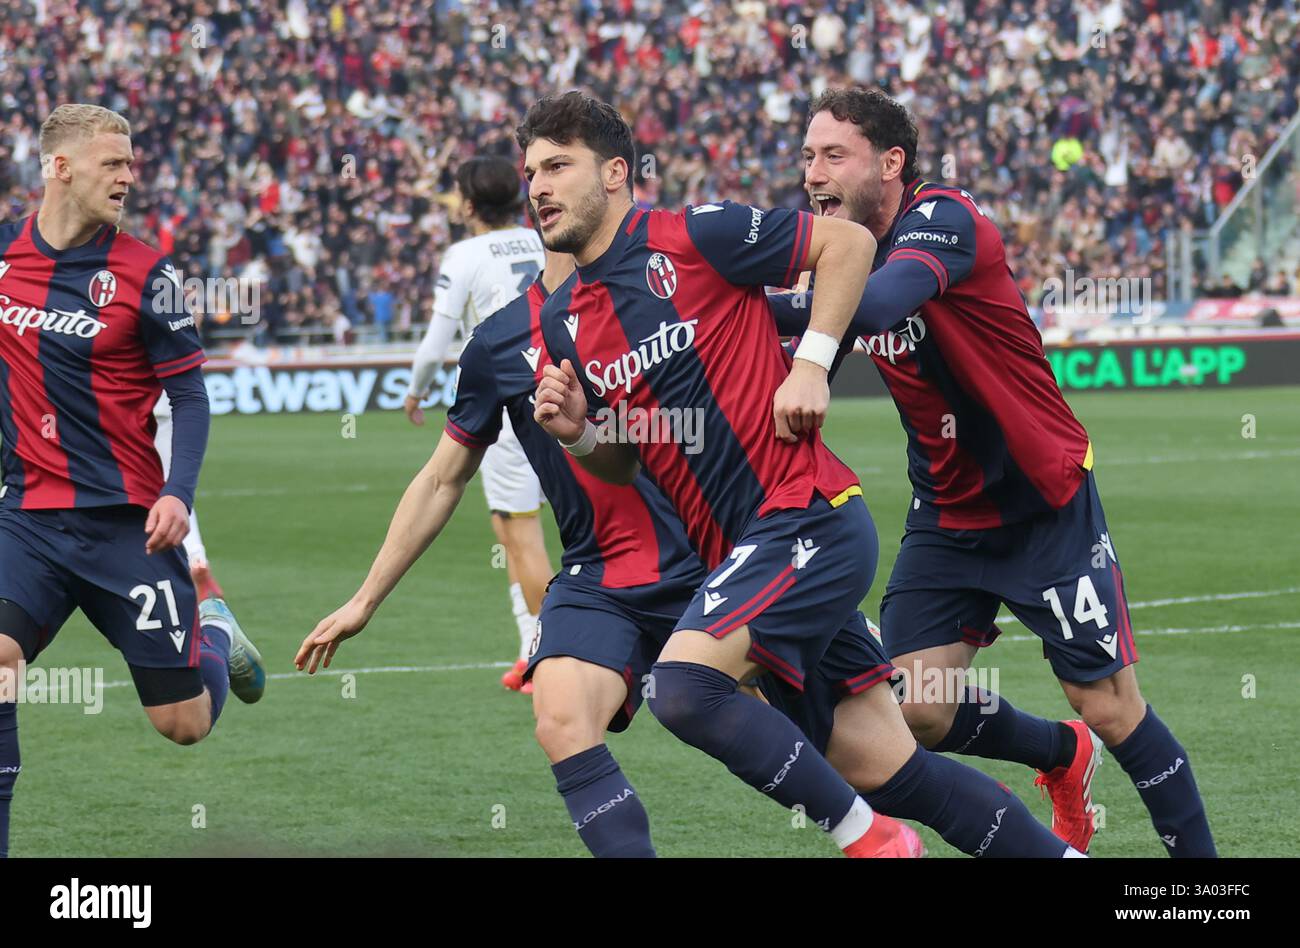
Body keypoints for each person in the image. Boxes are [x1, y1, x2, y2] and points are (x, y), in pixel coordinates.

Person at [525, 91, 1082, 858]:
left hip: (808, 515)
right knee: (894, 770)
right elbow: (629, 458)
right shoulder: (564, 319)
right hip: (745, 559)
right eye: (530, 172)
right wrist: (581, 434)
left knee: (683, 687)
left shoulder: (698, 235)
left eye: (558, 166)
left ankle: (873, 842)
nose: (539, 187)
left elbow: (847, 244)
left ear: (616, 173)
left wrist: (812, 366)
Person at [767, 86, 1215, 856]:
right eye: (807, 156)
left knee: (1110, 705)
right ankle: (1059, 753)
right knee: (913, 709)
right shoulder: (842, 262)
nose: (813, 172)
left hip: (1044, 503)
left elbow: (872, 308)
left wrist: (750, 300)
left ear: (891, 163)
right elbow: (804, 355)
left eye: (834, 155)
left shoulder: (943, 219)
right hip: (946, 516)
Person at [0, 104, 264, 858]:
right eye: (112, 162)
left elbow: (188, 394)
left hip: (127, 525)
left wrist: (179, 492)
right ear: (60, 167)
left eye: (130, 162)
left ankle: (213, 631)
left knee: (182, 724)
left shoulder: (152, 276)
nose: (128, 175)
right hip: (28, 519)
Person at [404, 156, 552, 693]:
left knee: (521, 531)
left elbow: (435, 342)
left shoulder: (465, 253)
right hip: (570, 387)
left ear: (467, 204)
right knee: (520, 529)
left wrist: (416, 390)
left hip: (510, 401)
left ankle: (554, 656)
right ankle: (528, 645)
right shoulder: (544, 238)